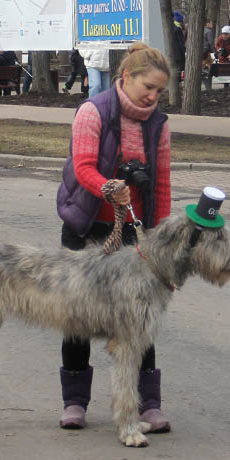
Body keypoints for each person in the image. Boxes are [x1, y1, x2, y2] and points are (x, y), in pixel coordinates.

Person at [56, 42, 172, 433]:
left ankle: (147, 404)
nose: (153, 97)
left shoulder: (159, 124)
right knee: (78, 315)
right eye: (148, 88)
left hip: (133, 231)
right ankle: (75, 402)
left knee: (140, 318)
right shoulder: (93, 112)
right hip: (86, 226)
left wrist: (157, 236)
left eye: (159, 91)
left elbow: (162, 184)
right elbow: (83, 166)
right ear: (127, 77)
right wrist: (110, 187)